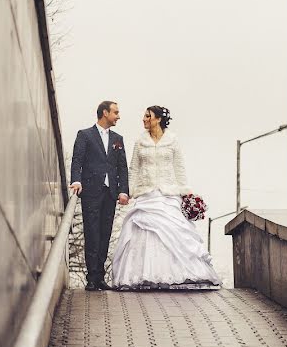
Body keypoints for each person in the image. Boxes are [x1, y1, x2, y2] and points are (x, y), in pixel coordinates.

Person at [111, 106, 221, 290]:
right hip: (146, 195)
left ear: (158, 119)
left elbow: (179, 168)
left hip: (168, 194)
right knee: (143, 233)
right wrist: (127, 191)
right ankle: (143, 275)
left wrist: (187, 194)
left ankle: (183, 274)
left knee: (174, 232)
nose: (144, 119)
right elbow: (134, 169)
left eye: (148, 116)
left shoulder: (173, 140)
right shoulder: (140, 141)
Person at [69, 101, 130, 291]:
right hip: (91, 192)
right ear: (105, 113)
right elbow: (77, 160)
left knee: (105, 233)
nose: (118, 116)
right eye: (116, 112)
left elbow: (122, 167)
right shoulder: (85, 135)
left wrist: (123, 190)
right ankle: (91, 278)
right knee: (92, 233)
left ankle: (101, 276)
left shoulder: (118, 139)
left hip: (110, 193)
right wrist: (76, 181)